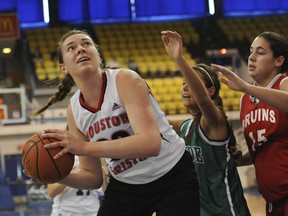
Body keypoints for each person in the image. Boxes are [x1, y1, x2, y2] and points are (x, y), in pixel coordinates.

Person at [33, 29, 200, 216]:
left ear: (98, 56)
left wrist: (84, 147)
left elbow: (150, 143)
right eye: (71, 48)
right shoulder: (74, 110)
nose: (81, 49)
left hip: (172, 174)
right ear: (64, 67)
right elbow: (93, 177)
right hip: (127, 185)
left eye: (86, 44)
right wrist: (58, 175)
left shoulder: (124, 79)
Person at [161, 30, 250, 216]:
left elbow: (202, 102)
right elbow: (156, 119)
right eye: (183, 83)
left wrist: (179, 59)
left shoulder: (214, 120)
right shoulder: (186, 126)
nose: (185, 86)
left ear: (210, 91)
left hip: (227, 210)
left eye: (191, 83)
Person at [211, 31, 288, 216]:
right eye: (251, 51)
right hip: (272, 202)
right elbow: (261, 148)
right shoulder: (245, 99)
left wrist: (245, 86)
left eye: (260, 53)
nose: (252, 57)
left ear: (278, 61)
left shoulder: (284, 83)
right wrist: (239, 157)